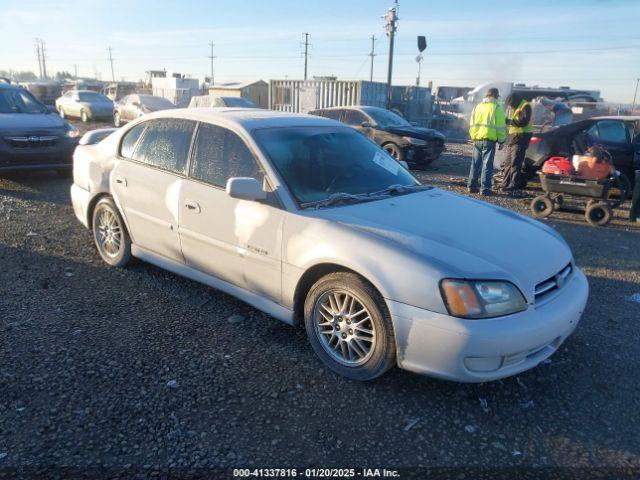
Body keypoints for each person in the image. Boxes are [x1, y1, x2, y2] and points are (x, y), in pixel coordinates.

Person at [467, 87, 506, 195]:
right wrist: (502, 141)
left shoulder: (477, 107)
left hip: (477, 139)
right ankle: (484, 189)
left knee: (475, 164)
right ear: (496, 96)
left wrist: (474, 137)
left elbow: (471, 124)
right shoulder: (497, 108)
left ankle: (471, 186)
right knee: (487, 165)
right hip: (489, 141)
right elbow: (500, 127)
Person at [501, 92, 533, 192]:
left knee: (516, 162)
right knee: (508, 162)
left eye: (511, 104)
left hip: (521, 137)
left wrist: (507, 121)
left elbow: (523, 122)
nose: (510, 106)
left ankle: (513, 184)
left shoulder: (525, 106)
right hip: (513, 137)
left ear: (514, 101)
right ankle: (505, 183)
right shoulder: (515, 106)